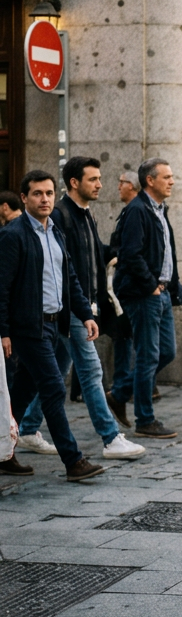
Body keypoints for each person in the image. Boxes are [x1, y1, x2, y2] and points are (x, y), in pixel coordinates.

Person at [18, 158, 145, 460]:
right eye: (93, 179)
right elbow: (62, 270)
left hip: (80, 306)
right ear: (74, 182)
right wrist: (80, 309)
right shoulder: (61, 215)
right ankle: (110, 437)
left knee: (59, 368)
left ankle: (27, 427)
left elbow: (85, 262)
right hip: (66, 308)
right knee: (91, 371)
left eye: (100, 178)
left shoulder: (85, 215)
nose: (100, 184)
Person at [0, 170, 105, 481]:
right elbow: (1, 288)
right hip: (27, 328)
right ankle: (73, 461)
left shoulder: (54, 231)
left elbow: (68, 278)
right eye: (37, 194)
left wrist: (86, 313)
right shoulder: (13, 235)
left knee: (22, 391)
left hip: (52, 324)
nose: (44, 199)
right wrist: (4, 331)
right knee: (54, 388)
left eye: (48, 193)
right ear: (24, 198)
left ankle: (3, 451)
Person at [109, 158, 182, 439]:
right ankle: (145, 419)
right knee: (149, 355)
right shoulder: (137, 210)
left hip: (161, 293)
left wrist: (169, 287)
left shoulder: (160, 209)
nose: (172, 181)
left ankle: (120, 393)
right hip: (144, 294)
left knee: (166, 352)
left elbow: (166, 252)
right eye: (166, 177)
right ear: (150, 180)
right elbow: (130, 254)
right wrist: (151, 285)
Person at [107, 170, 140, 412]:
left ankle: (123, 386)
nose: (118, 186)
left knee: (128, 338)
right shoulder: (128, 210)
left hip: (131, 287)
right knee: (123, 336)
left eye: (123, 182)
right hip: (123, 287)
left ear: (134, 186)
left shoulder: (136, 210)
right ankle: (123, 385)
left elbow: (131, 251)